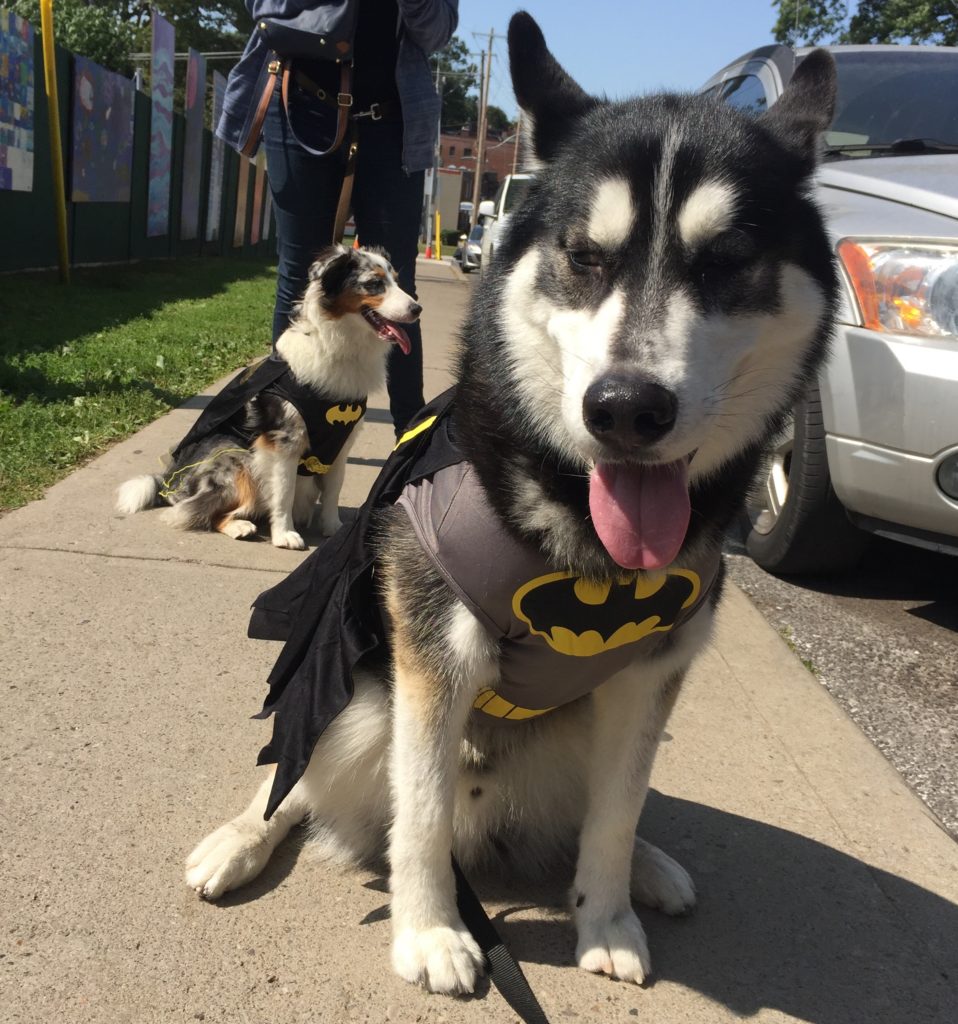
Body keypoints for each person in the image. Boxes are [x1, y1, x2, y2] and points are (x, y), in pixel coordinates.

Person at [217, 1, 458, 435]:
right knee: (297, 274)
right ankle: (284, 433)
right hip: (298, 101)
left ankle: (410, 449)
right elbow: (267, 8)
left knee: (398, 286)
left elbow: (436, 32)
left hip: (393, 120)